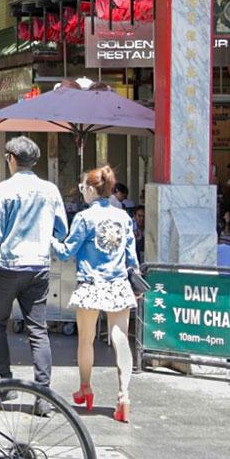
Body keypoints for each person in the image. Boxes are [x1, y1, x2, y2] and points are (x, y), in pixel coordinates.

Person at [0, 136, 66, 392]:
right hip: (38, 266)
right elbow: (61, 229)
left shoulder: (1, 190)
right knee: (38, 330)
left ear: (12, 159)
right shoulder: (50, 190)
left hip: (8, 265)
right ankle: (43, 393)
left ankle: (5, 382)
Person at [55, 165, 137, 423]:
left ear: (91, 189)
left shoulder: (83, 218)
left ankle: (85, 389)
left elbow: (66, 252)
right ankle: (123, 396)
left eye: (84, 189)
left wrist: (50, 239)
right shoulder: (124, 217)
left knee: (86, 340)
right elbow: (131, 257)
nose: (83, 193)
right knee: (120, 339)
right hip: (118, 283)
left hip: (90, 284)